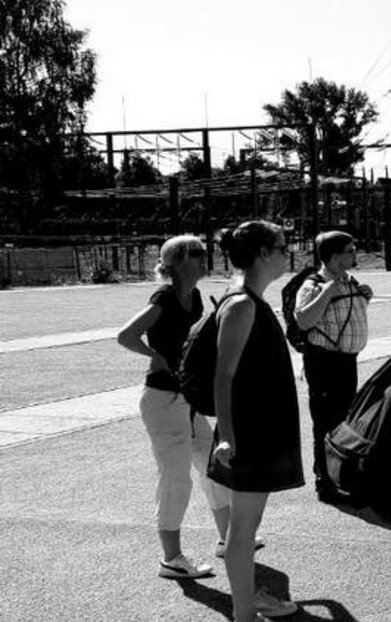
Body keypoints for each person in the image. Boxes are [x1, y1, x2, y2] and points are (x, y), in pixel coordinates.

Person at [117, 235, 230, 580]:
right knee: (176, 479)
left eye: (204, 251)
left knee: (211, 467)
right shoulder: (165, 297)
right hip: (164, 401)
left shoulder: (194, 296)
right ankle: (172, 559)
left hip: (188, 399)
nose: (204, 256)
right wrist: (158, 357)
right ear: (177, 261)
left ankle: (229, 539)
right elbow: (126, 335)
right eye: (196, 253)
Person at [208, 221, 305, 622]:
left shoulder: (250, 300)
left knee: (247, 526)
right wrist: (227, 437)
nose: (288, 253)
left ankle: (247, 603)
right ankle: (244, 613)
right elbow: (223, 376)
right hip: (249, 433)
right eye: (283, 246)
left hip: (258, 429)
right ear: (263, 254)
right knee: (243, 529)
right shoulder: (242, 305)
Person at [293, 230, 372, 501]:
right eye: (350, 251)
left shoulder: (349, 280)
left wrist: (364, 297)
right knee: (325, 422)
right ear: (334, 256)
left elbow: (342, 317)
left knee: (345, 420)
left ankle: (343, 475)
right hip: (324, 363)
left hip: (347, 362)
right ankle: (324, 481)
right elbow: (304, 320)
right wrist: (326, 293)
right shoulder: (314, 284)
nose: (354, 254)